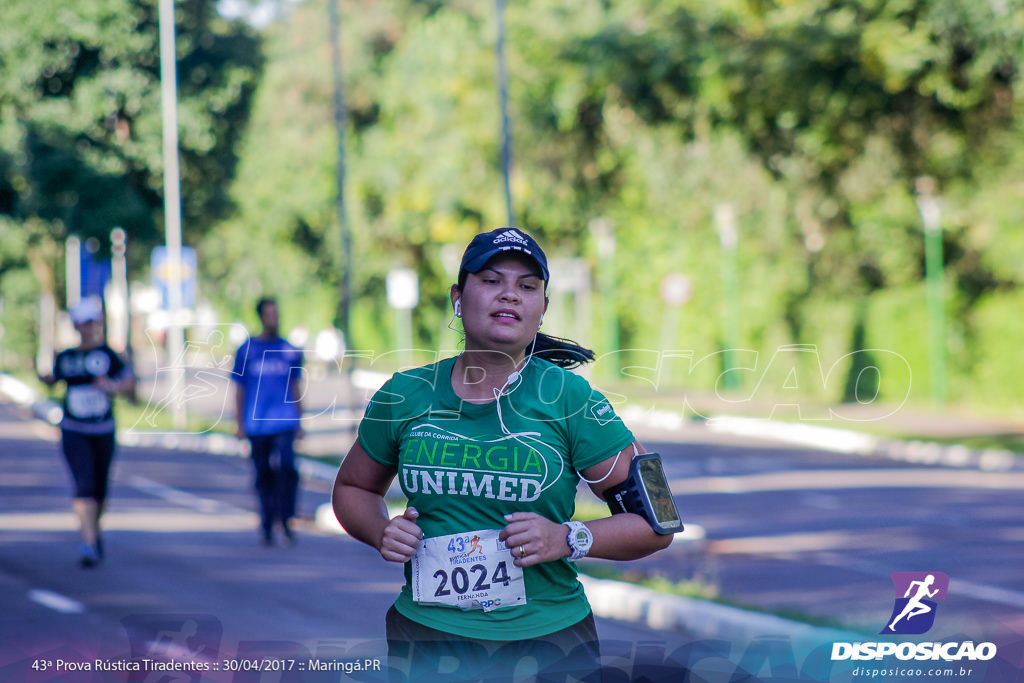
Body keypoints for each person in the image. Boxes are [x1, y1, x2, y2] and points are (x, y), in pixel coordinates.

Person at [333, 228, 673, 682]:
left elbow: (658, 522)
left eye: (527, 286)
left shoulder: (572, 398)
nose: (509, 295)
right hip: (430, 640)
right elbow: (353, 487)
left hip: (550, 644)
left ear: (542, 308)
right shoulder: (405, 395)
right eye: (491, 281)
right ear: (459, 296)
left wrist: (567, 538)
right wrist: (379, 531)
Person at [38, 297, 134, 568]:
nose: (89, 328)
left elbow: (129, 385)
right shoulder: (66, 357)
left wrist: (111, 386)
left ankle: (93, 530)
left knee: (100, 488)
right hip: (74, 429)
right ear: (76, 326)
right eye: (84, 323)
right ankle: (88, 543)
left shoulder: (109, 355)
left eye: (93, 322)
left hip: (103, 429)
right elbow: (51, 379)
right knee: (84, 485)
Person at [232, 297, 305, 546]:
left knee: (287, 468)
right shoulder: (247, 351)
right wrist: (239, 423)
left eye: (277, 313)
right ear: (261, 317)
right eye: (270, 313)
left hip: (285, 420)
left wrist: (300, 419)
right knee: (263, 473)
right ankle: (266, 521)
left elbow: (295, 385)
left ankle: (285, 518)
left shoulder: (288, 350)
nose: (274, 318)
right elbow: (239, 388)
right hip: (257, 423)